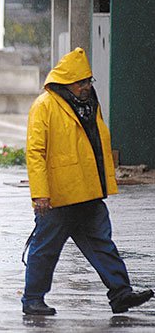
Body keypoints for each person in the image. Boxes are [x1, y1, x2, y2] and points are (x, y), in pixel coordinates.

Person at [22, 47, 153, 315]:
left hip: (88, 192)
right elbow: (35, 153)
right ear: (66, 82)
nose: (85, 86)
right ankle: (33, 299)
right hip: (59, 196)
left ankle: (121, 293)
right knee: (45, 250)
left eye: (88, 81)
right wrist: (40, 194)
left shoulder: (89, 105)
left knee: (102, 243)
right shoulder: (45, 106)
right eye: (80, 82)